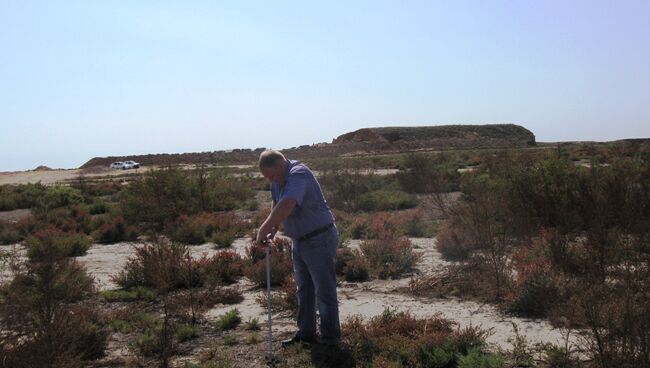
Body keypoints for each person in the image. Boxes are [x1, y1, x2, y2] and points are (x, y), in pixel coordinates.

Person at [256, 150, 341, 347]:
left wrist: (262, 230)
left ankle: (330, 340)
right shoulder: (278, 179)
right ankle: (306, 334)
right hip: (299, 240)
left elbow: (287, 204)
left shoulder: (298, 173)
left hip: (319, 239)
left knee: (324, 291)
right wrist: (274, 228)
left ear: (280, 165)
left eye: (271, 176)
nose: (271, 181)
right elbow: (277, 202)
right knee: (304, 290)